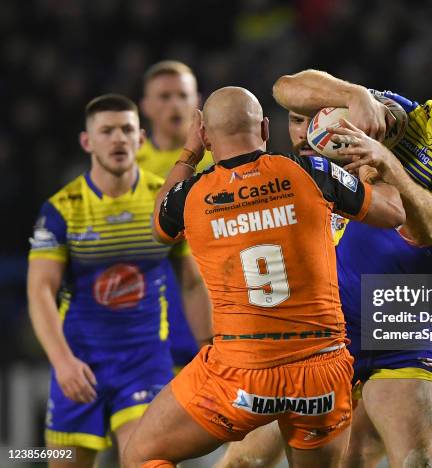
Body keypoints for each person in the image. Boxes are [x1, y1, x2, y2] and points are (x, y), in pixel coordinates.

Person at [216, 105, 432, 467]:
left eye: (321, 120)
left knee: (363, 457)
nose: (309, 132)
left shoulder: (391, 173)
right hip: (321, 335)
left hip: (401, 337)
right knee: (246, 460)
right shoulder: (289, 183)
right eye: (298, 121)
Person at [122, 86, 405, 468]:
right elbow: (393, 213)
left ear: (206, 135)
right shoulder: (310, 172)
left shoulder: (191, 196)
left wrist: (189, 154)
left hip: (240, 371)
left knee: (143, 455)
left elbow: (159, 225)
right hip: (319, 369)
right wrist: (379, 154)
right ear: (266, 128)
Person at [27, 94, 212, 468]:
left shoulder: (165, 202)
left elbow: (192, 282)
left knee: (146, 460)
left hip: (145, 363)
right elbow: (40, 290)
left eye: (126, 130)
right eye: (106, 131)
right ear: (87, 142)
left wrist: (210, 346)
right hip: (80, 366)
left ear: (140, 139)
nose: (118, 139)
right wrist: (62, 362)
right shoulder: (63, 208)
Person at [138, 60, 215, 368]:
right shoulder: (128, 164)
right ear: (146, 105)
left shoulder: (219, 158)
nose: (175, 104)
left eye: (183, 95)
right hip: (149, 312)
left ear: (197, 101)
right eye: (164, 96)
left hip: (212, 307)